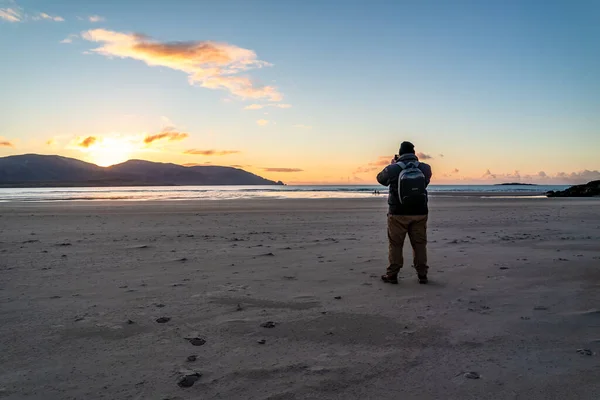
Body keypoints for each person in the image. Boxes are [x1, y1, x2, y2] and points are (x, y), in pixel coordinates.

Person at [376, 141, 432, 284]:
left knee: (395, 245)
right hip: (420, 212)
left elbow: (380, 179)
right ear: (414, 153)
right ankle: (422, 274)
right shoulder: (425, 168)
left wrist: (393, 164)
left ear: (400, 153)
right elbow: (425, 182)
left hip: (397, 213)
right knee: (419, 244)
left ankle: (392, 274)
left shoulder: (394, 168)